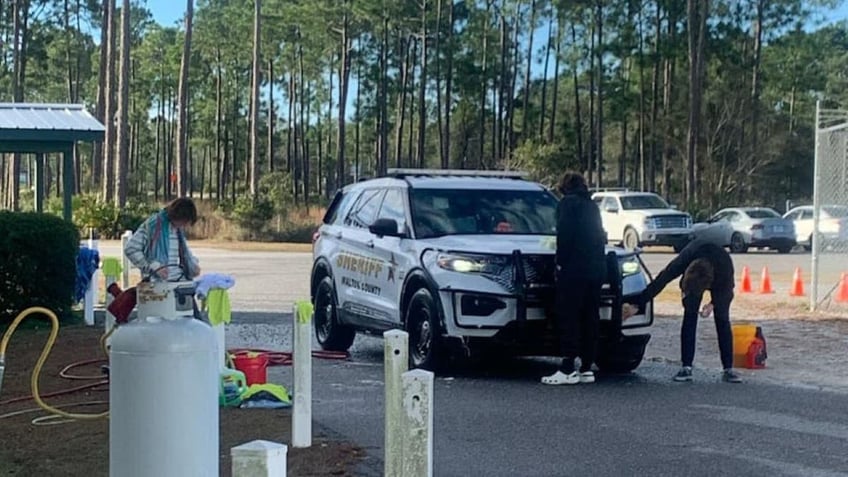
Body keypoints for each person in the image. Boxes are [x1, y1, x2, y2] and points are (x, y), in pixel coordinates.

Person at [632, 238, 742, 383]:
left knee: (722, 319)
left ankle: (728, 369)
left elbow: (728, 292)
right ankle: (686, 367)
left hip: (719, 276)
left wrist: (713, 304)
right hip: (694, 270)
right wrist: (637, 304)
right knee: (690, 316)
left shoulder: (724, 269)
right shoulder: (685, 259)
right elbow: (662, 279)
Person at [541, 171, 607, 385]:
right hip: (596, 268)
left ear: (564, 187)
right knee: (590, 316)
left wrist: (560, 264)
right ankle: (587, 367)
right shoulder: (592, 206)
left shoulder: (568, 204)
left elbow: (565, 236)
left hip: (574, 269)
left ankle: (568, 366)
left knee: (569, 316)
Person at [124, 197, 201, 282]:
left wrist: (193, 266)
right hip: (157, 284)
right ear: (179, 216)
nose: (185, 225)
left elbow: (185, 254)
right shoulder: (153, 225)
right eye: (185, 222)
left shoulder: (178, 231)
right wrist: (152, 267)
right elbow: (131, 249)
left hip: (179, 281)